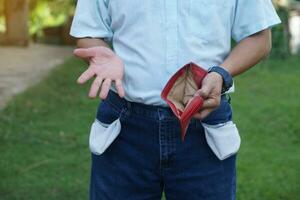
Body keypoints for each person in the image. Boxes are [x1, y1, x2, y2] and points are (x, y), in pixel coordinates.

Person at [70, 0, 281, 199]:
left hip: (204, 127)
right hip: (124, 128)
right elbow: (89, 31)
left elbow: (260, 38)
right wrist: (103, 54)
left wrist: (221, 74)